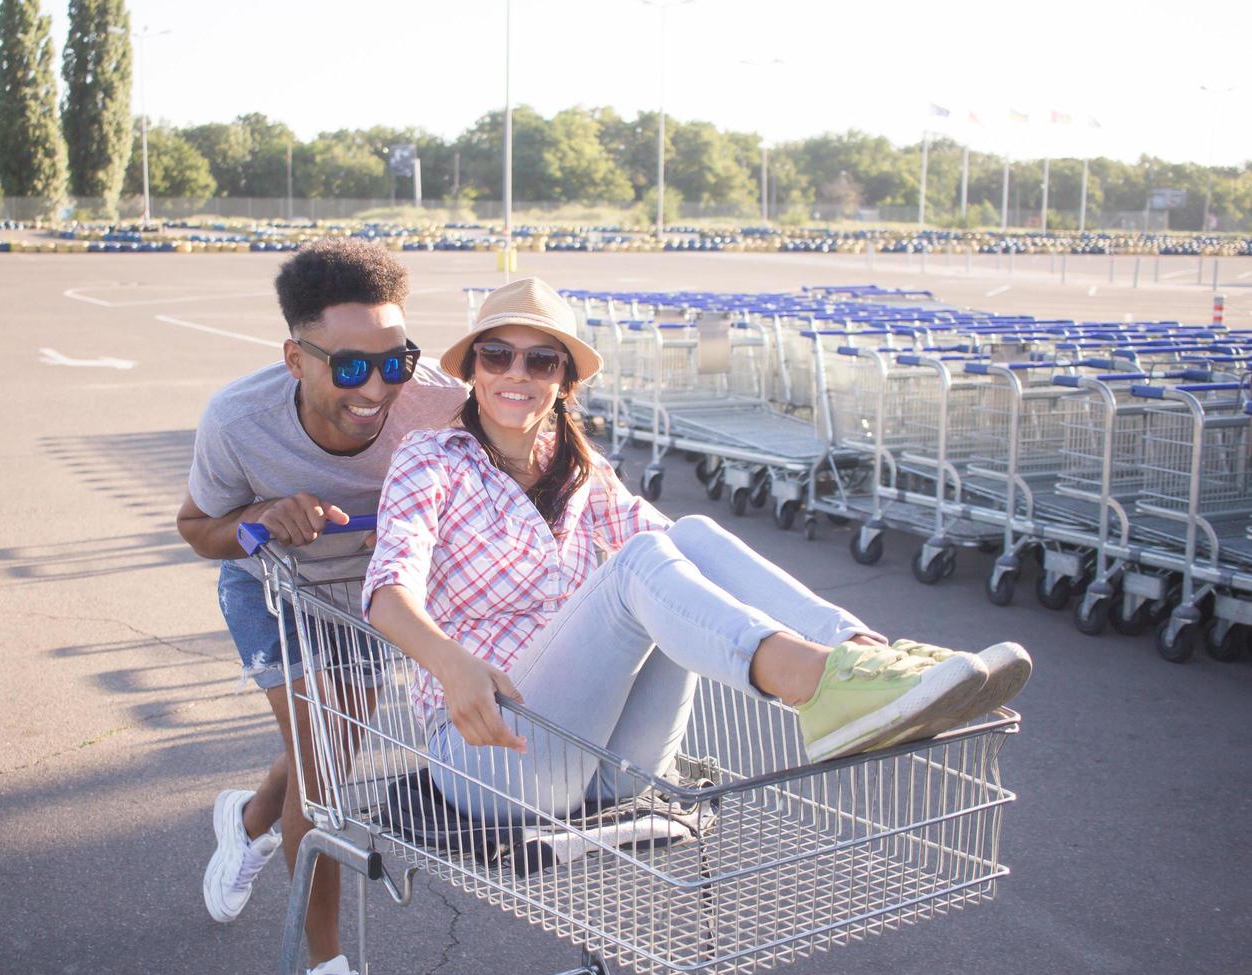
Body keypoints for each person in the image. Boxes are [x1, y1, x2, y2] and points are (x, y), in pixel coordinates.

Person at [363, 277, 1032, 821]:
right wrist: (450, 664)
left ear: (564, 382)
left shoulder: (576, 466)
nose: (517, 373)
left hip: (603, 762)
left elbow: (675, 552)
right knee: (640, 567)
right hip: (493, 751)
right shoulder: (434, 459)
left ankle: (861, 658)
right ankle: (817, 686)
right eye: (497, 355)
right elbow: (388, 594)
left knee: (688, 536)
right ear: (474, 369)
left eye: (541, 359)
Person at [176, 239, 466, 975]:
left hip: (372, 596)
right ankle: (326, 963)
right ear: (295, 359)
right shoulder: (238, 420)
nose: (378, 386)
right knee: (328, 768)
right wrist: (261, 517)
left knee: (323, 749)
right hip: (274, 588)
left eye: (395, 359)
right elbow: (195, 528)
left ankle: (248, 821)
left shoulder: (432, 400)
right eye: (350, 366)